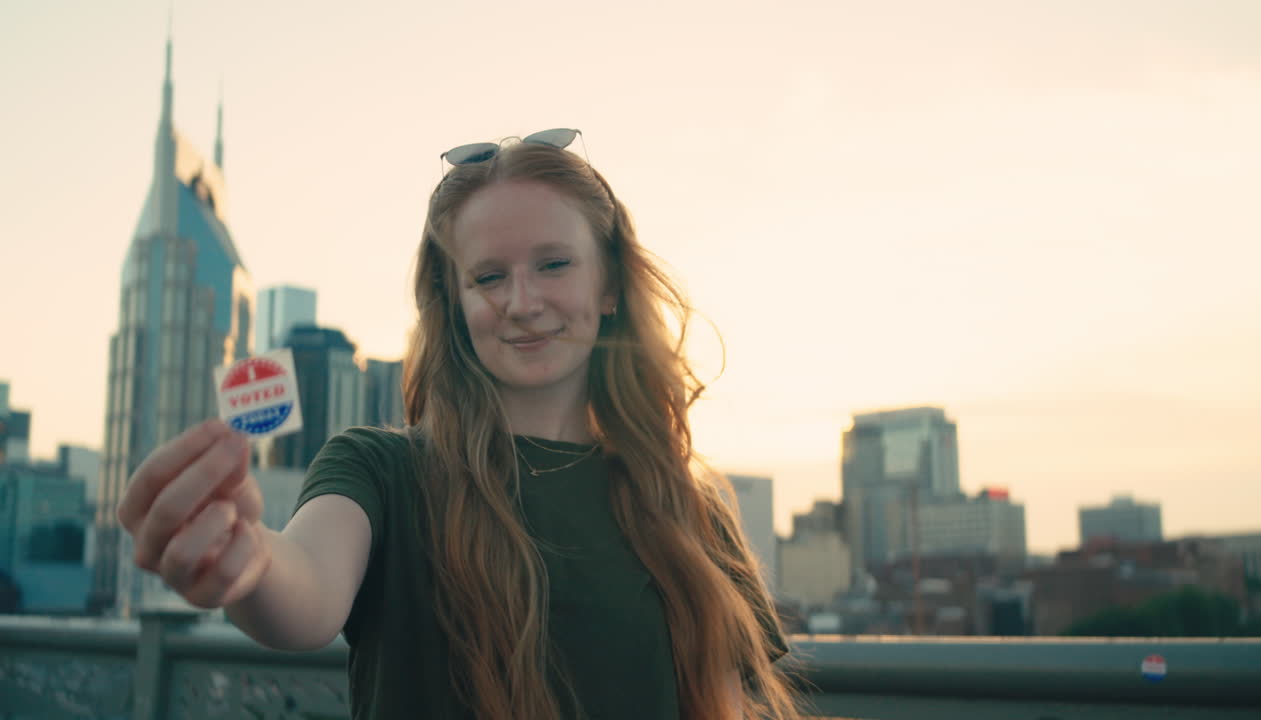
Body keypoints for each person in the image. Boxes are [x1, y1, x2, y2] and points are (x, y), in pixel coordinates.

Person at [117, 129, 802, 720]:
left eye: (554, 264)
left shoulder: (690, 510)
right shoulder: (379, 471)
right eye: (488, 277)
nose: (522, 302)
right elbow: (306, 594)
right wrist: (247, 560)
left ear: (612, 285)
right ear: (454, 302)